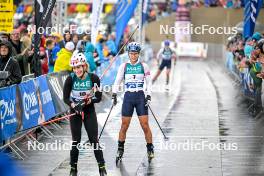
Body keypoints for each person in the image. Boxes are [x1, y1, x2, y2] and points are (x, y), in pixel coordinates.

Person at [63, 52, 107, 176]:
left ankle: (102, 166)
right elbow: (65, 98)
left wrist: (87, 101)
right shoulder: (70, 78)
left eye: (79, 67)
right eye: (75, 68)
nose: (77, 70)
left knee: (94, 139)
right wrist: (73, 105)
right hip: (75, 111)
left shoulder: (94, 78)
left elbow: (98, 97)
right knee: (76, 141)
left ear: (84, 66)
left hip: (88, 111)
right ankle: (73, 168)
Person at [112, 42, 154, 163]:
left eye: (135, 54)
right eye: (131, 53)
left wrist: (149, 95)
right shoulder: (124, 66)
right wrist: (114, 94)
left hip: (140, 96)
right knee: (124, 125)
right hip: (128, 97)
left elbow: (149, 82)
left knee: (145, 125)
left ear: (138, 54)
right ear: (128, 54)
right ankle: (120, 149)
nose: (133, 56)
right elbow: (117, 81)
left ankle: (150, 148)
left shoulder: (144, 66)